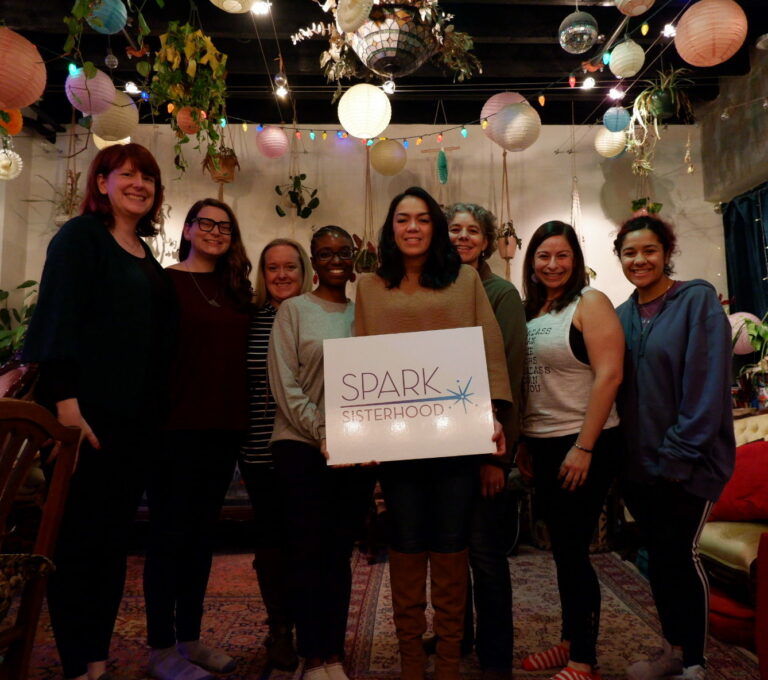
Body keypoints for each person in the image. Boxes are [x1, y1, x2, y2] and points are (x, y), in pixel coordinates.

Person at [22, 143, 173, 680]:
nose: (139, 183)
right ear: (102, 182)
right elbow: (58, 320)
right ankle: (77, 662)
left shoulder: (141, 250)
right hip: (87, 422)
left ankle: (96, 658)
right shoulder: (80, 238)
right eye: (126, 173)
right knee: (80, 543)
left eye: (148, 177)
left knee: (111, 546)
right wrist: (66, 406)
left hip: (135, 426)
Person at [354, 187, 512, 680]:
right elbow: (361, 360)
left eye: (423, 219)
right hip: (398, 444)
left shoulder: (465, 280)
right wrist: (358, 434)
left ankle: (446, 662)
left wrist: (495, 423)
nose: (413, 228)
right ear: (391, 227)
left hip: (456, 441)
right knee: (404, 544)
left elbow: (490, 354)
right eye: (403, 219)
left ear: (435, 228)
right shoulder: (369, 286)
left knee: (449, 545)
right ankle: (408, 661)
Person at [613, 215, 734, 680]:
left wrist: (678, 457)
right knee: (658, 560)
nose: (639, 260)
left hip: (691, 463)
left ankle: (695, 664)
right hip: (640, 467)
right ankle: (673, 650)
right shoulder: (622, 315)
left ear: (666, 253)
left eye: (648, 251)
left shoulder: (696, 301)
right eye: (629, 253)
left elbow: (706, 388)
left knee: (682, 556)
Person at [143, 198, 253, 680]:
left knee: (201, 540)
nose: (214, 231)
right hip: (173, 430)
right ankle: (160, 648)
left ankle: (190, 638)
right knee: (168, 538)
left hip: (223, 429)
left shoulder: (236, 290)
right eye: (205, 223)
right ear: (187, 230)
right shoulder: (165, 283)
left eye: (224, 226)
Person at [268, 226, 375, 680]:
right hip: (300, 447)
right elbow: (284, 384)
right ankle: (312, 654)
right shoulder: (293, 311)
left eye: (343, 252)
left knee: (339, 553)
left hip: (354, 452)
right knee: (308, 552)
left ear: (355, 259)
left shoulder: (365, 313)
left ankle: (333, 651)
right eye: (325, 253)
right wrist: (322, 430)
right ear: (313, 260)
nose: (335, 259)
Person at [519, 220, 624, 680]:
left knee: (576, 551)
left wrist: (584, 447)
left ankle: (584, 658)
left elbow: (610, 376)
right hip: (542, 444)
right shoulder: (532, 312)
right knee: (561, 550)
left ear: (576, 260)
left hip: (584, 441)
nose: (552, 264)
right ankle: (568, 641)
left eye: (562, 255)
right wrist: (524, 438)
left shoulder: (590, 302)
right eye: (543, 256)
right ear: (532, 261)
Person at [445, 203, 526, 680]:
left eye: (472, 230)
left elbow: (509, 377)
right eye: (453, 229)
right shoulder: (437, 290)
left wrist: (500, 457)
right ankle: (462, 636)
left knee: (486, 557)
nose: (462, 237)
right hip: (441, 450)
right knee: (453, 552)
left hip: (485, 449)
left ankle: (495, 655)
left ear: (488, 239)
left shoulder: (501, 294)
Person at [238, 238, 313, 671]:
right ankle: (279, 628)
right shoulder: (249, 321)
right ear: (262, 275)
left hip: (304, 448)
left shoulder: (314, 317)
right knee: (271, 546)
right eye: (272, 268)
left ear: (304, 271)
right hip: (257, 452)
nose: (282, 275)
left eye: (290, 267)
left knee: (306, 542)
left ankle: (310, 625)